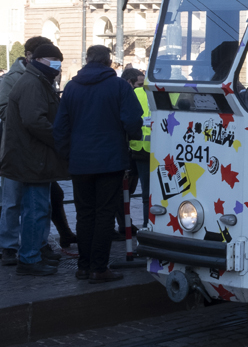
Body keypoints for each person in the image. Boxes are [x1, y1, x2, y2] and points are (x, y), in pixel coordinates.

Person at [54, 45, 142, 282]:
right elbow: (133, 120)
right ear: (108, 61)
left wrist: (68, 155)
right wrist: (134, 140)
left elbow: (60, 127)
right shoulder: (119, 86)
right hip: (110, 160)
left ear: (87, 60)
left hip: (80, 162)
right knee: (104, 214)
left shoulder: (71, 87)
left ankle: (83, 266)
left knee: (84, 214)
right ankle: (99, 268)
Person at [0, 37, 74, 266]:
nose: (57, 66)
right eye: (53, 61)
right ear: (35, 58)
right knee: (26, 205)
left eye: (59, 61)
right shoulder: (30, 82)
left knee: (41, 206)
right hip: (29, 156)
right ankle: (24, 255)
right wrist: (59, 140)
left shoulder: (39, 80)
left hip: (35, 156)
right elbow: (34, 120)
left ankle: (35, 249)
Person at [121, 66, 151, 227]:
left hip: (137, 148)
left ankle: (142, 226)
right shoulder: (164, 92)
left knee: (139, 192)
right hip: (157, 150)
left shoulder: (133, 94)